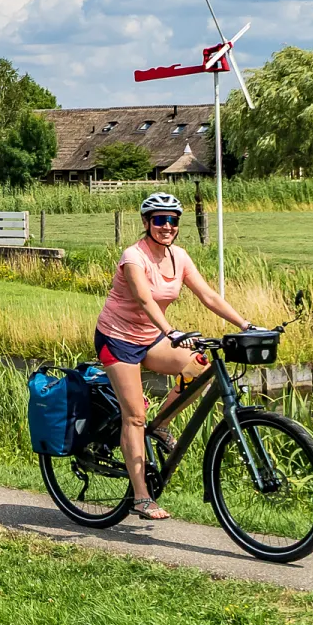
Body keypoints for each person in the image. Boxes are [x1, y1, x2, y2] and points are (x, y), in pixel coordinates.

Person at [94, 191, 255, 520]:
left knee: (198, 365)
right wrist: (171, 331)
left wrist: (246, 324)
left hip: (151, 338)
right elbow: (143, 298)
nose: (167, 226)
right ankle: (141, 496)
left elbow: (208, 295)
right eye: (159, 220)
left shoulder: (178, 257)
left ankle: (162, 424)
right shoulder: (133, 256)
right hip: (118, 339)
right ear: (146, 223)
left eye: (173, 220)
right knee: (135, 415)